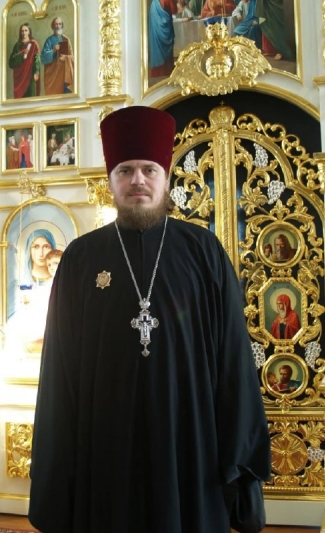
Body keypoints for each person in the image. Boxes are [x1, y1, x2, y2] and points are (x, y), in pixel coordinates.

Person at [29, 106, 271, 533]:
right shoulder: (81, 258)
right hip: (105, 445)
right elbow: (59, 369)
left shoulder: (203, 252)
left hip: (190, 442)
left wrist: (238, 459)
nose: (137, 180)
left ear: (166, 177)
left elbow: (233, 357)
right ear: (110, 181)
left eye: (148, 170)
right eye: (125, 171)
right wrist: (57, 468)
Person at [41, 17, 74, 95]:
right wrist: (53, 50)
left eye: (60, 24)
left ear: (62, 25)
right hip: (52, 75)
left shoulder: (66, 40)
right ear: (53, 26)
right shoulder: (49, 40)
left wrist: (66, 58)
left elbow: (72, 57)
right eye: (56, 24)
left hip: (64, 74)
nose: (58, 26)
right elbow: (43, 58)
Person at [8, 22, 40, 99]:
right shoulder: (17, 45)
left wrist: (36, 71)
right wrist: (22, 54)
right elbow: (11, 62)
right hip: (19, 77)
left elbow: (37, 59)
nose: (24, 33)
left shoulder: (33, 44)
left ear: (29, 32)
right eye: (22, 31)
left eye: (26, 30)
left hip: (30, 75)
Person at [149, 0, 178, 78]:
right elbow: (174, 10)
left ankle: (158, 70)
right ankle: (166, 69)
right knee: (163, 44)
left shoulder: (154, 2)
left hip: (155, 22)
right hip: (162, 23)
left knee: (156, 44)